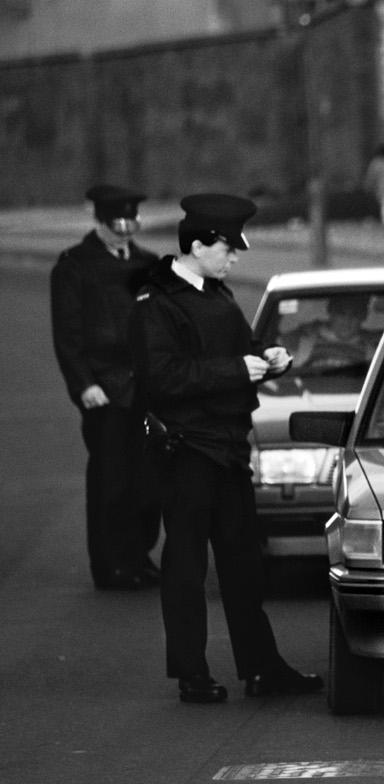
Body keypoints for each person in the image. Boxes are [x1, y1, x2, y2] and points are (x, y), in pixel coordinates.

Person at [128, 194, 324, 704]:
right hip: (186, 451)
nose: (235, 258)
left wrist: (268, 358)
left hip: (230, 449)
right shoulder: (156, 303)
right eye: (227, 249)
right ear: (197, 246)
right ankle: (191, 673)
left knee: (243, 567)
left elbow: (239, 350)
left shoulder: (218, 295)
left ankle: (262, 668)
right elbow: (162, 379)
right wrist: (238, 370)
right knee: (187, 568)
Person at [50, 184, 162, 590]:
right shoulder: (75, 266)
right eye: (118, 222)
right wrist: (84, 386)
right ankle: (111, 565)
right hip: (105, 390)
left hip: (145, 389)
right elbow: (68, 334)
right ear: (99, 221)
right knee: (110, 483)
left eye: (132, 221)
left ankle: (138, 556)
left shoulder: (148, 264)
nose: (126, 229)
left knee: (148, 483)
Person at [285, 293, 374, 368]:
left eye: (355, 314)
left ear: (363, 316)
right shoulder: (305, 340)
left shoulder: (372, 348)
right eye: (341, 313)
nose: (347, 320)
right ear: (330, 312)